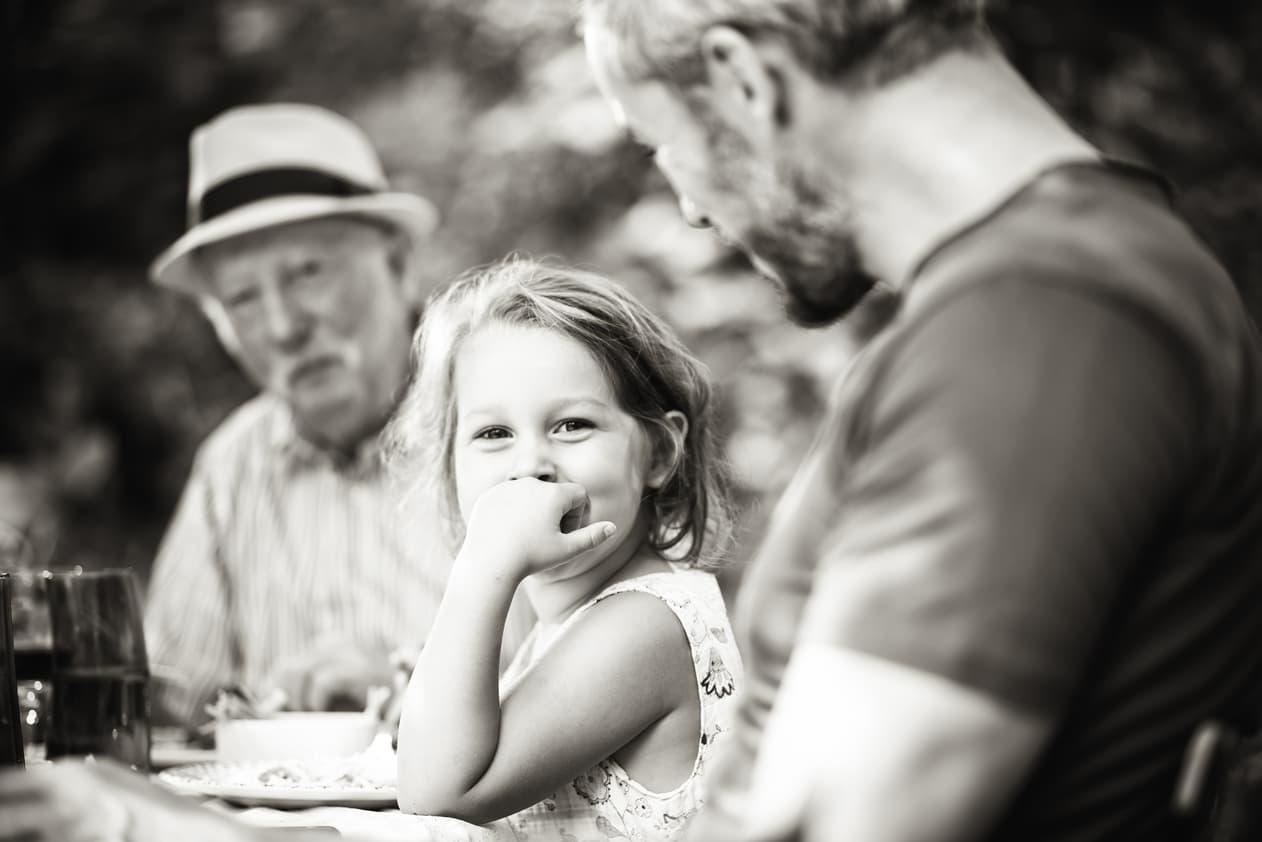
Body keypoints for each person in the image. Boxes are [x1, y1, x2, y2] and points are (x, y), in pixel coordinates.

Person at [577, 2, 1262, 842]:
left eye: (662, 144)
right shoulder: (1059, 289)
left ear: (743, 79)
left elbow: (847, 821)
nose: (687, 207)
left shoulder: (1038, 325)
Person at [142, 103, 529, 728]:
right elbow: (176, 702)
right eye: (241, 297)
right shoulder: (233, 461)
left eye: (307, 273)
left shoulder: (508, 423)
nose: (283, 326)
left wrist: (408, 688)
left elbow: (592, 673)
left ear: (398, 265)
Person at [388, 257, 743, 839]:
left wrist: (481, 566)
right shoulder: (569, 624)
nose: (531, 465)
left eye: (572, 425)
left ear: (656, 454)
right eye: (494, 433)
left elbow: (436, 793)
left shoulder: (645, 624)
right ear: (449, 464)